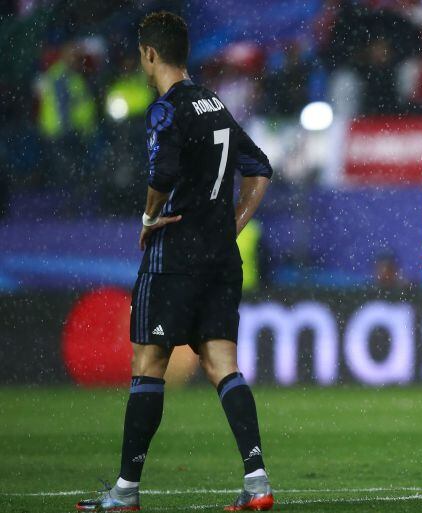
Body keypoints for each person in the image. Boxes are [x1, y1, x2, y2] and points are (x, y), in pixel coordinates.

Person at [76, 12, 275, 512]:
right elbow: (259, 168)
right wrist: (231, 224)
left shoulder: (167, 110)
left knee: (149, 366)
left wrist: (147, 217)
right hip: (219, 258)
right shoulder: (215, 104)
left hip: (174, 258)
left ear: (149, 54)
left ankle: (125, 492)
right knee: (223, 366)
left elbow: (161, 173)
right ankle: (257, 483)